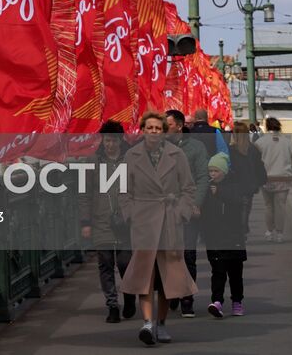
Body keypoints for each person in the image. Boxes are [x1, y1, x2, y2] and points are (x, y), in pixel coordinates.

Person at [120, 110, 198, 346]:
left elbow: (189, 188)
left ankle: (161, 323)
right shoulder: (131, 156)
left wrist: (181, 212)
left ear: (164, 132)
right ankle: (146, 323)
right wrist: (130, 214)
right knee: (145, 273)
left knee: (167, 278)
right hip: (143, 222)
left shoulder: (178, 155)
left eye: (157, 128)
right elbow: (123, 189)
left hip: (169, 220)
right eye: (149, 128)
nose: (153, 132)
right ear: (142, 130)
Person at [80, 120, 136, 323]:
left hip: (126, 221)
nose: (109, 144)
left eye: (113, 140)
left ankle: (129, 296)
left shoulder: (130, 160)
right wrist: (85, 222)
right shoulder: (93, 162)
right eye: (106, 140)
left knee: (125, 263)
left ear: (120, 140)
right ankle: (112, 305)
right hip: (101, 221)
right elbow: (85, 193)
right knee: (105, 264)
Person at [165, 109, 210, 317]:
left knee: (188, 255)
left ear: (180, 126)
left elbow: (202, 177)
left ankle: (187, 298)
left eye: (169, 125)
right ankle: (172, 292)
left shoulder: (196, 148)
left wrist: (196, 203)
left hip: (188, 210)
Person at [201, 153, 248, 317]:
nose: (212, 174)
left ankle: (237, 302)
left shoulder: (233, 185)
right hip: (215, 238)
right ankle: (217, 302)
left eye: (216, 171)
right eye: (210, 171)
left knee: (235, 273)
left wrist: (219, 192)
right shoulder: (207, 187)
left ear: (224, 171)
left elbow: (237, 201)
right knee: (218, 271)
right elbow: (204, 211)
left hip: (233, 238)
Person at [254, 117, 292, 242]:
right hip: (283, 178)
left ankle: (269, 232)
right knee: (281, 206)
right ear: (279, 126)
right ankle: (280, 234)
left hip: (266, 178)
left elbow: (255, 161)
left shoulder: (260, 142)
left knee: (268, 206)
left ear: (267, 127)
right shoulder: (288, 143)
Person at [226, 122, 267, 235]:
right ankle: (243, 229)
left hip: (234, 184)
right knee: (245, 208)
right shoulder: (253, 149)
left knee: (234, 210)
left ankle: (238, 230)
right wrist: (261, 181)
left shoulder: (230, 150)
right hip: (249, 185)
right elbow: (259, 166)